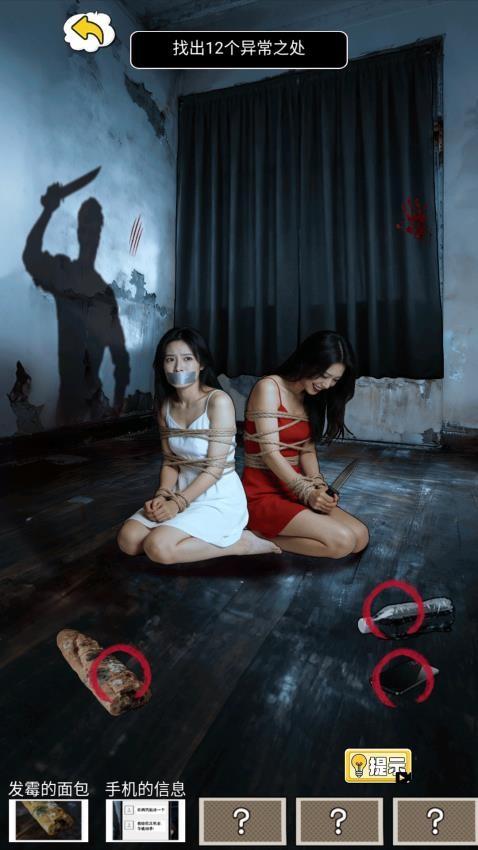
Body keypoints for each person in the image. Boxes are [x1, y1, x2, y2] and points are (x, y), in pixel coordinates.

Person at [118, 327, 280, 564]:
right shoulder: (165, 406)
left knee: (158, 547)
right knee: (128, 540)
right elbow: (171, 461)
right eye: (170, 360)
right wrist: (163, 495)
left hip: (216, 495)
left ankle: (242, 544)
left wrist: (177, 504)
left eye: (187, 359)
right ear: (162, 365)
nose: (178, 367)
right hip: (180, 489)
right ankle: (189, 537)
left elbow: (215, 469)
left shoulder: (218, 401)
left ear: (201, 363)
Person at [242, 330, 369, 559]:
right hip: (262, 492)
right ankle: (255, 534)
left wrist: (319, 486)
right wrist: (307, 491)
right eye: (324, 375)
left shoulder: (310, 396)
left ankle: (266, 532)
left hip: (294, 489)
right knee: (343, 542)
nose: (327, 385)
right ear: (308, 361)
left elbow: (307, 451)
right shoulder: (269, 387)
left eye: (335, 380)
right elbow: (270, 453)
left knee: (360, 538)